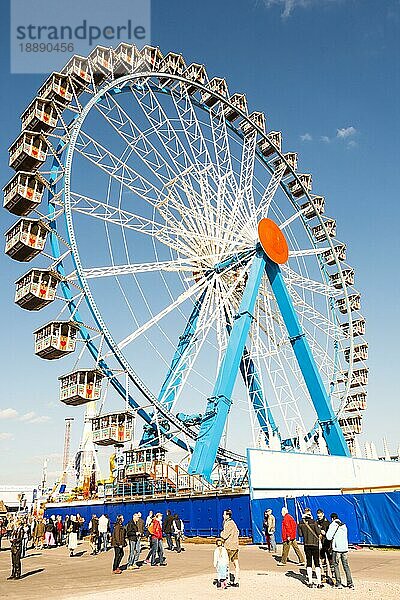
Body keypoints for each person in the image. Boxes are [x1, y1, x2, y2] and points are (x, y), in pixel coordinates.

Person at [326, 513, 354, 589]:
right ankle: (350, 583)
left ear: (332, 518)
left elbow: (328, 537)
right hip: (344, 548)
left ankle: (338, 583)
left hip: (337, 548)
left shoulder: (333, 525)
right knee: (346, 566)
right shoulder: (344, 525)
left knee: (336, 565)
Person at [298, 509, 323, 588]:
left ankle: (310, 582)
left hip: (306, 544)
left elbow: (300, 534)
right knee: (317, 562)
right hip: (315, 544)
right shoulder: (314, 522)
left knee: (309, 562)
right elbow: (318, 532)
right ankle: (319, 583)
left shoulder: (301, 523)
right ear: (310, 514)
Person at [220, 509, 240, 587]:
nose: (223, 516)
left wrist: (221, 533)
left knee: (226, 563)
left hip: (229, 546)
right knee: (236, 563)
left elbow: (224, 535)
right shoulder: (234, 523)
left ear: (227, 515)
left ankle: (227, 580)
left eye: (224, 514)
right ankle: (236, 580)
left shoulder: (228, 523)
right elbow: (238, 532)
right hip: (235, 545)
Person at [316, 508, 334, 585]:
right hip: (320, 545)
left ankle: (333, 576)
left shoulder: (327, 523)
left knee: (331, 560)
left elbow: (331, 535)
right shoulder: (316, 522)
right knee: (323, 560)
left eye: (320, 516)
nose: (319, 517)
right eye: (318, 516)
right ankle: (326, 576)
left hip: (327, 544)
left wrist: (325, 533)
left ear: (323, 514)